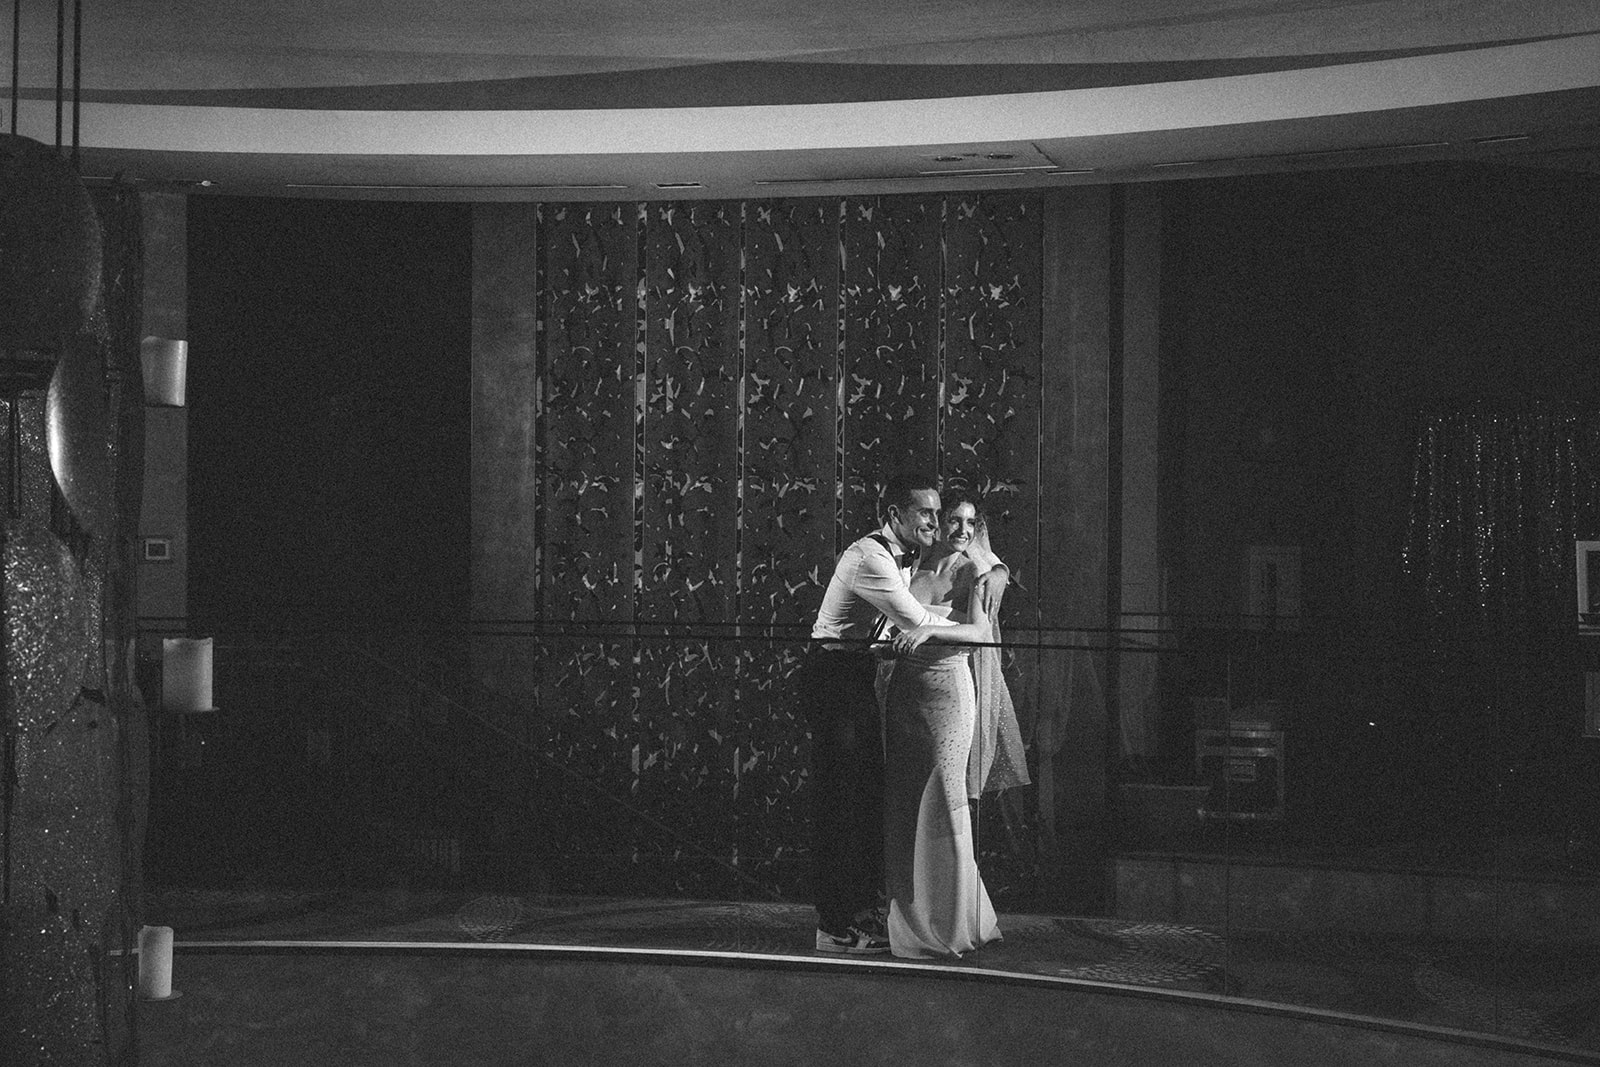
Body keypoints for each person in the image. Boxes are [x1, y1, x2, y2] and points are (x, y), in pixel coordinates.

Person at [803, 471, 993, 954]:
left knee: (866, 797)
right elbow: (915, 618)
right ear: (894, 516)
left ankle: (868, 912)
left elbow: (900, 624)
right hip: (833, 679)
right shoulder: (870, 557)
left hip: (861, 675)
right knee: (842, 800)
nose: (935, 522)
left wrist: (995, 574)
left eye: (938, 513)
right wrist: (968, 623)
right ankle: (834, 925)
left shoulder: (911, 557)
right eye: (926, 513)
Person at [882, 490, 1026, 958]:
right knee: (908, 803)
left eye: (970, 523)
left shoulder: (974, 572)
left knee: (946, 796)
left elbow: (980, 632)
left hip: (951, 693)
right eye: (953, 521)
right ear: (937, 524)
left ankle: (956, 920)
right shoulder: (909, 569)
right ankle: (913, 916)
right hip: (906, 693)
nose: (962, 531)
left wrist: (929, 629)